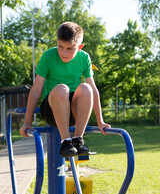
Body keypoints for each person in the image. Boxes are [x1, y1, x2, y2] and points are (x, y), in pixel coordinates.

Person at [20, 21, 111, 158]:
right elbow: (36, 90)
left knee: (86, 87)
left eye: (70, 48)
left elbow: (93, 89)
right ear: (56, 42)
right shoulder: (48, 56)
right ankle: (66, 141)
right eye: (60, 46)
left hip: (74, 112)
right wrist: (27, 122)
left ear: (80, 47)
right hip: (52, 109)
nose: (64, 52)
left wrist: (100, 121)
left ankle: (78, 139)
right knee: (62, 89)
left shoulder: (84, 57)